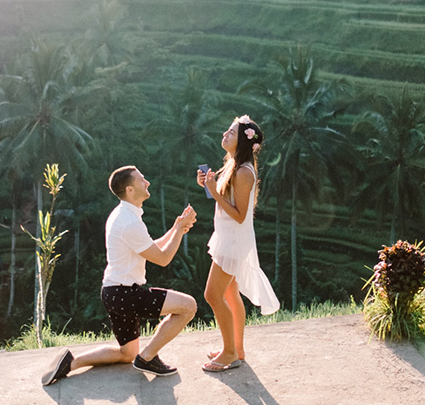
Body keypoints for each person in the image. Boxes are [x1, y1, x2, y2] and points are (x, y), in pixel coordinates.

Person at [42, 165, 198, 385]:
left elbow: (150, 247)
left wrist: (176, 228)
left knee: (126, 353)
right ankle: (147, 358)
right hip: (126, 294)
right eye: (142, 180)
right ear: (130, 190)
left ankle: (72, 362)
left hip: (113, 292)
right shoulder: (130, 222)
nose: (147, 183)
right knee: (188, 306)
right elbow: (162, 259)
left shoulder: (124, 214)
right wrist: (180, 229)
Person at [196, 115, 279, 373]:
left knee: (213, 294)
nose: (225, 134)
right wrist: (208, 186)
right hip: (228, 237)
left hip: (232, 240)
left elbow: (240, 214)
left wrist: (216, 193)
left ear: (243, 140)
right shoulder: (234, 164)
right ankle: (237, 348)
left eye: (231, 132)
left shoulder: (243, 172)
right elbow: (226, 199)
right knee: (230, 294)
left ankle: (229, 351)